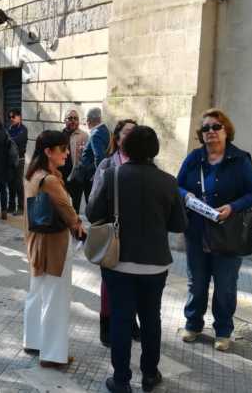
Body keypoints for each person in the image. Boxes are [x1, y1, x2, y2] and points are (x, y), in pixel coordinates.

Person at [87, 126, 187, 393]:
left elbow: (93, 213)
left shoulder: (112, 176)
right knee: (151, 320)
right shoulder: (169, 181)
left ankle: (121, 381)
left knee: (120, 320)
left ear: (125, 147)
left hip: (119, 262)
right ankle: (150, 375)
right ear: (155, 149)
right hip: (155, 265)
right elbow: (179, 224)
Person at [177, 108, 252, 351]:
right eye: (206, 128)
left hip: (229, 233)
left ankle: (223, 331)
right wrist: (186, 195)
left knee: (225, 286)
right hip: (196, 231)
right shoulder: (194, 158)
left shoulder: (240, 160)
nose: (211, 131)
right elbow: (176, 186)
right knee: (197, 283)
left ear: (226, 131)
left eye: (216, 127)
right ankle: (193, 324)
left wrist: (232, 207)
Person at [22, 130, 85, 369]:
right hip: (54, 245)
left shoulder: (32, 174)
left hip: (36, 242)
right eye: (63, 149)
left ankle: (33, 341)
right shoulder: (48, 180)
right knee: (55, 299)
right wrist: (78, 225)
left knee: (37, 293)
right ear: (48, 151)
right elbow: (68, 212)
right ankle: (52, 355)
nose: (67, 153)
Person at [89, 119, 139, 348]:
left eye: (135, 132)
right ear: (117, 138)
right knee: (110, 283)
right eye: (127, 132)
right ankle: (106, 324)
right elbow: (93, 202)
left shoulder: (146, 164)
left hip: (137, 235)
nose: (131, 136)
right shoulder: (107, 164)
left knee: (135, 281)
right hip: (112, 233)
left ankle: (131, 321)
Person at [80, 107, 110, 205]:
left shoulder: (95, 134)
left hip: (91, 174)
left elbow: (99, 156)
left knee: (91, 203)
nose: (86, 122)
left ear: (89, 120)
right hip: (95, 172)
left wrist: (97, 174)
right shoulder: (105, 130)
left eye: (86, 120)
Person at [60, 109, 89, 213]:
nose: (73, 121)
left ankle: (74, 222)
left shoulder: (84, 136)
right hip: (61, 176)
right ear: (65, 120)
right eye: (70, 118)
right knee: (62, 205)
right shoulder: (59, 135)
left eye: (75, 118)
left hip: (76, 177)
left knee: (75, 207)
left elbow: (87, 157)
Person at [7, 108, 28, 216]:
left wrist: (9, 140)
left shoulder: (23, 129)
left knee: (18, 183)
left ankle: (21, 207)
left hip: (19, 159)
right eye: (10, 117)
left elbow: (17, 140)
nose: (11, 119)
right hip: (10, 159)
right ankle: (11, 206)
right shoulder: (10, 128)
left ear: (19, 117)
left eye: (13, 116)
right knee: (10, 183)